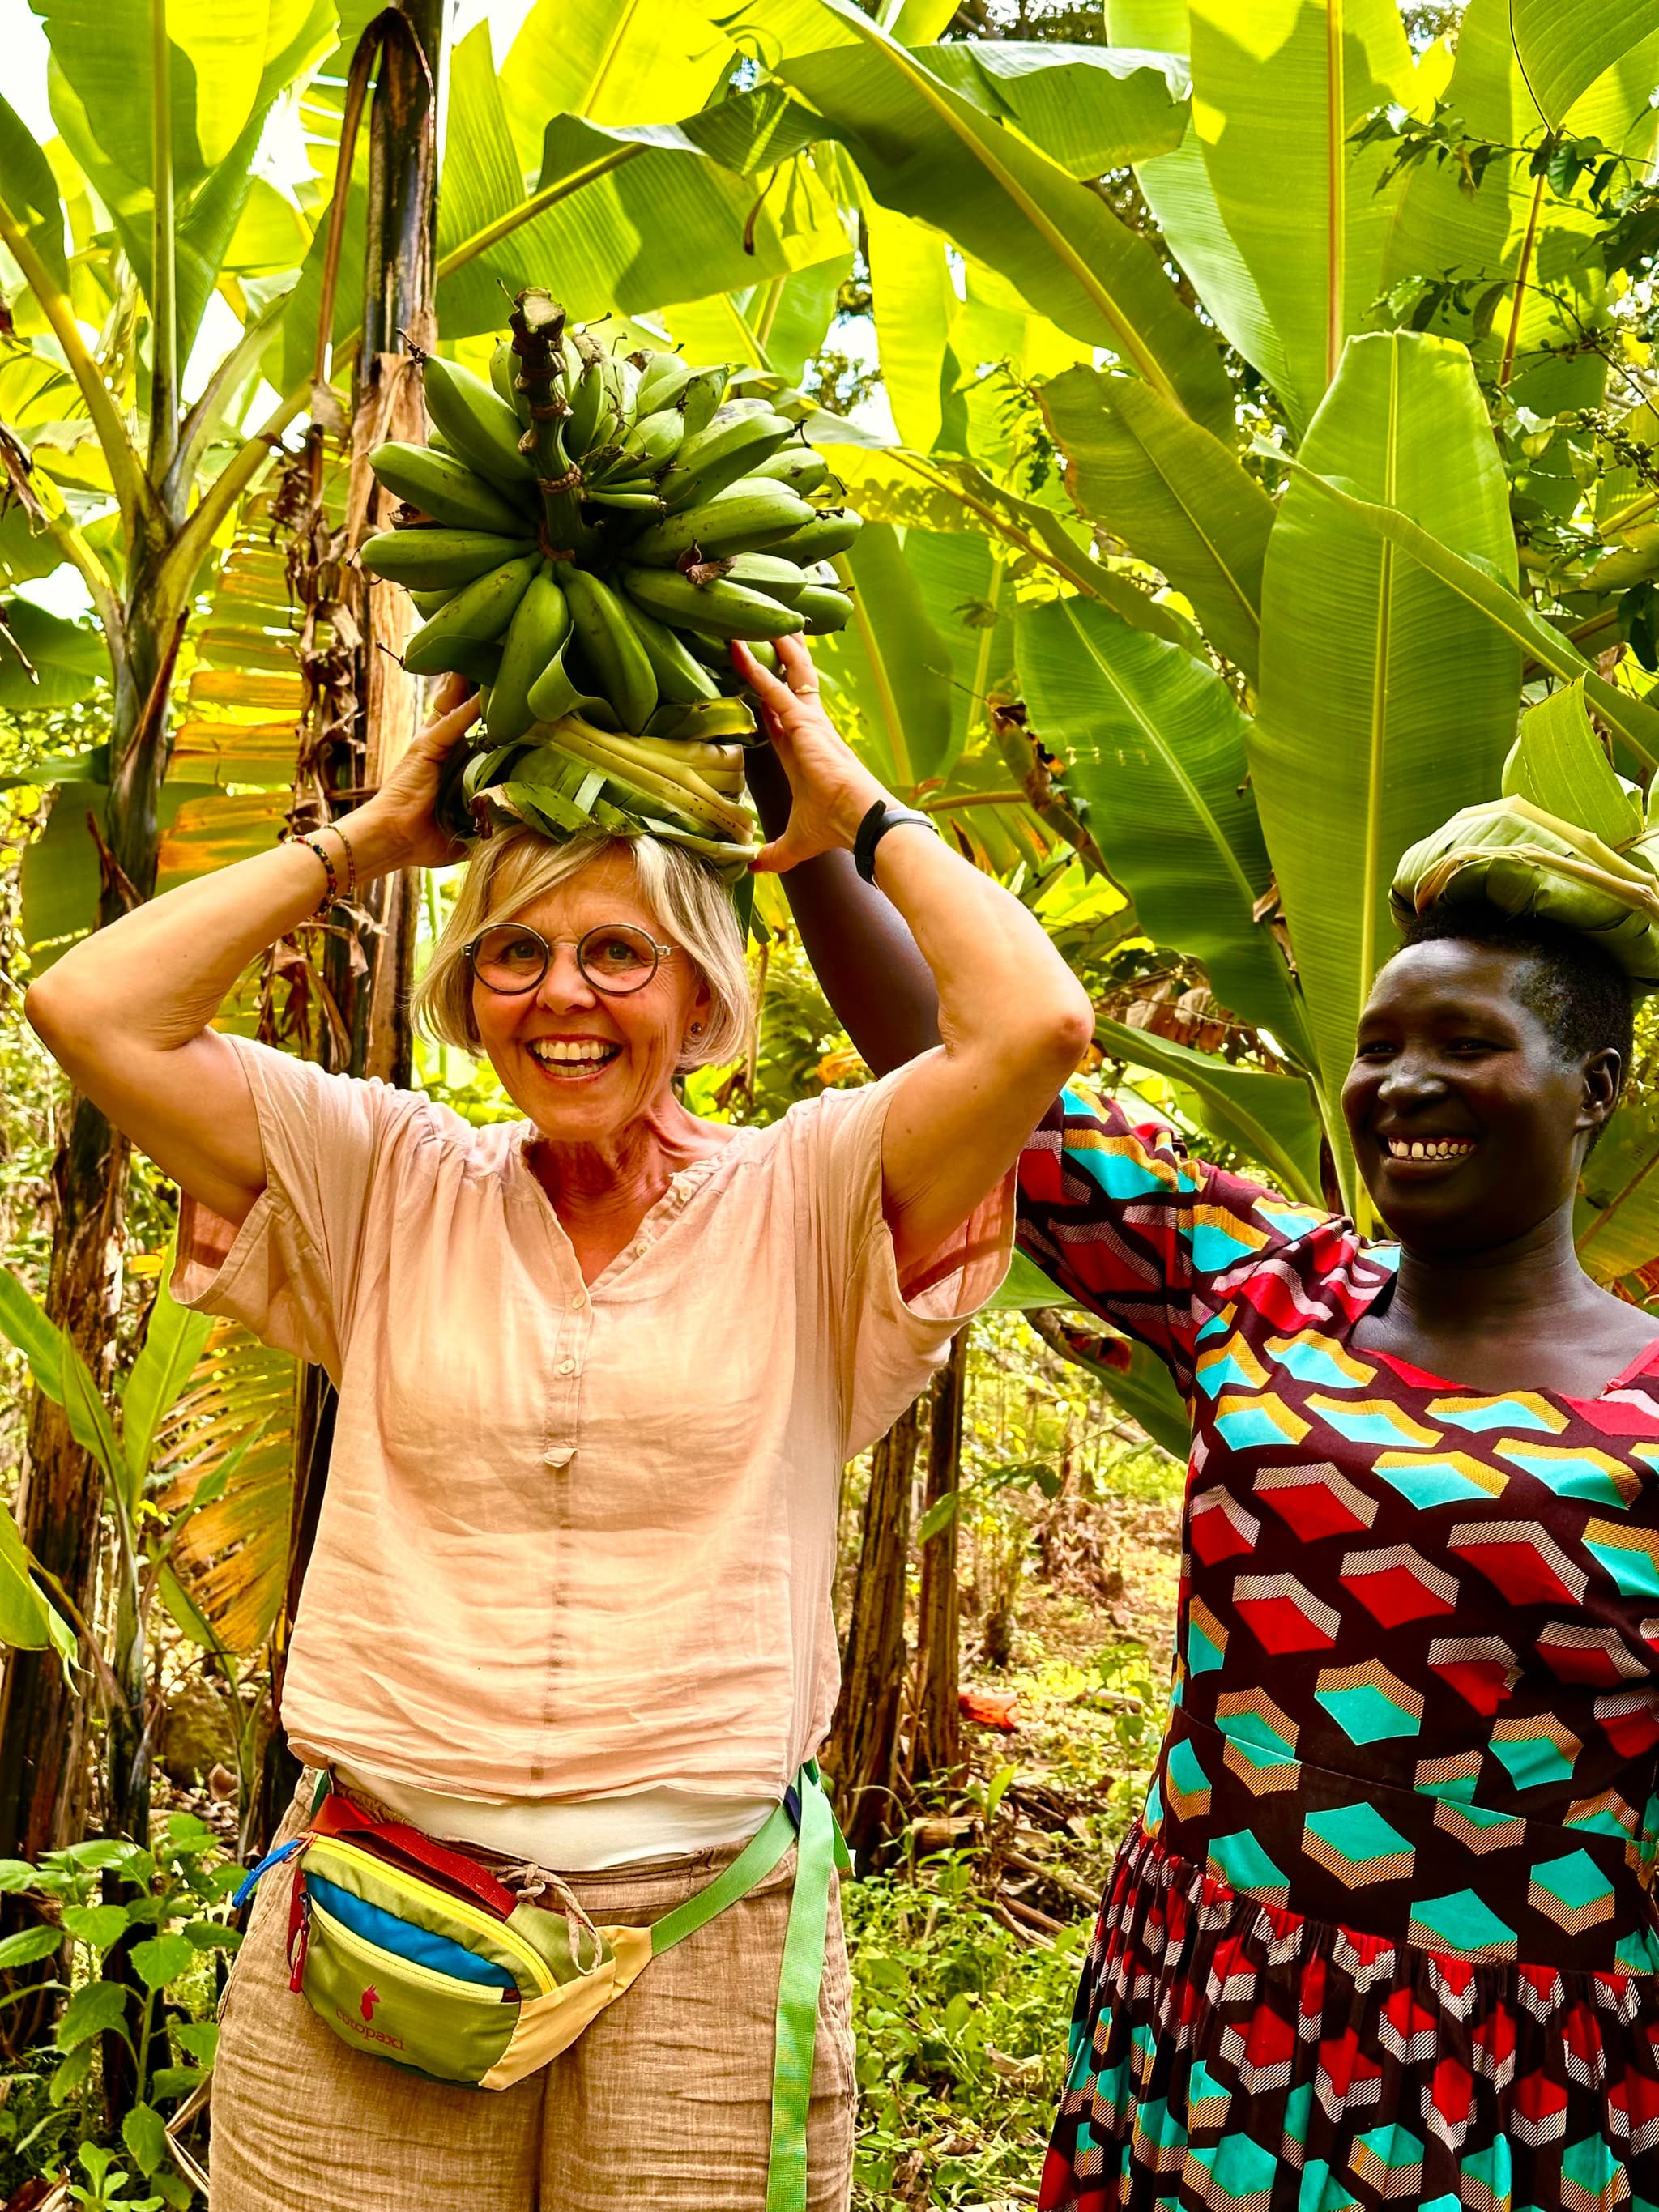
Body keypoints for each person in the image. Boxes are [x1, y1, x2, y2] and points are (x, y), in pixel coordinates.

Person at [23, 641, 1093, 2212]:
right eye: (514, 954)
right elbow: (86, 1006)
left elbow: (1034, 1030)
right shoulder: (383, 1175)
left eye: (617, 950)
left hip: (698, 1948)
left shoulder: (805, 1194)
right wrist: (369, 840)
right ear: (469, 988)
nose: (563, 995)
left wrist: (848, 806)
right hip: (378, 1919)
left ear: (698, 986)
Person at [748, 747, 1659, 2211]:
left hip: (1502, 2079)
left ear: (1595, 1086)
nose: (1403, 1083)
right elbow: (984, 1071)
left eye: (1470, 1043)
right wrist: (818, 826)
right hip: (1209, 2017)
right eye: (1379, 1043)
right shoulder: (1270, 1286)